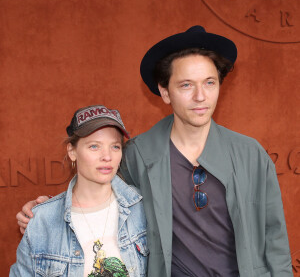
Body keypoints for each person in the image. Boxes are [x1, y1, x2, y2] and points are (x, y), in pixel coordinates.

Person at [16, 26, 293, 277]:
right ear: (165, 92)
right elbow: (100, 196)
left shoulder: (250, 154)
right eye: (186, 85)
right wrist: (46, 212)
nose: (201, 96)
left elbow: (276, 239)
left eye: (210, 82)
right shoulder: (139, 154)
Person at [11, 105, 148, 277]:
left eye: (115, 147)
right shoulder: (42, 221)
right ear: (72, 151)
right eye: (94, 146)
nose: (107, 156)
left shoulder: (142, 207)